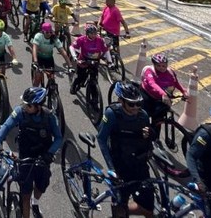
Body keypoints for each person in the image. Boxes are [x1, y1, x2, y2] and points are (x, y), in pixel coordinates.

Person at [0, 87, 62, 218]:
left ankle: (35, 202)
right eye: (25, 104)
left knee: (41, 186)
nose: (25, 107)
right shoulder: (20, 112)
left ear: (38, 106)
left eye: (29, 105)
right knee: (25, 194)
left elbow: (58, 138)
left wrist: (50, 153)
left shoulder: (49, 116)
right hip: (25, 157)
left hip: (43, 158)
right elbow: (6, 126)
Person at [97, 82, 155, 218]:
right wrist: (111, 168)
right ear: (121, 101)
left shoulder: (143, 116)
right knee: (119, 205)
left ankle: (125, 209)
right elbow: (101, 139)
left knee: (148, 208)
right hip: (120, 167)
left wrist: (151, 134)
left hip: (139, 165)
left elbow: (149, 139)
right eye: (131, 104)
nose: (136, 108)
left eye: (138, 104)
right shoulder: (111, 114)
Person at [140, 54, 188, 124]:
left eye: (163, 66)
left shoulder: (170, 72)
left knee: (158, 120)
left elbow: (176, 83)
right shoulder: (149, 71)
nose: (161, 68)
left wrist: (183, 91)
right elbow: (152, 83)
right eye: (158, 66)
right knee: (145, 116)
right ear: (154, 65)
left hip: (162, 97)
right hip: (148, 94)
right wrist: (163, 94)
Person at [69, 24, 112, 95]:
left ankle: (95, 97)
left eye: (95, 33)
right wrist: (75, 58)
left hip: (95, 62)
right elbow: (72, 47)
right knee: (80, 77)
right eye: (91, 33)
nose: (94, 35)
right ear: (87, 33)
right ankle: (74, 85)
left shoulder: (100, 40)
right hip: (83, 61)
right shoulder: (81, 39)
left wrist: (110, 62)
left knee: (94, 80)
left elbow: (106, 50)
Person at [30, 22, 73, 88]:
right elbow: (35, 48)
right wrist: (35, 61)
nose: (49, 34)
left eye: (50, 32)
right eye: (47, 32)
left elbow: (62, 51)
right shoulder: (38, 36)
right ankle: (34, 90)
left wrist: (70, 65)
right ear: (43, 32)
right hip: (38, 58)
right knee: (38, 77)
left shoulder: (54, 38)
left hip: (49, 59)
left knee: (51, 78)